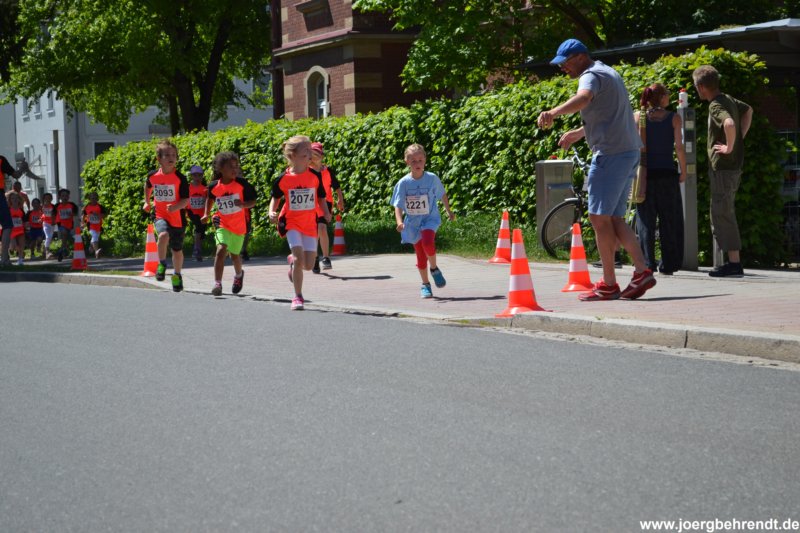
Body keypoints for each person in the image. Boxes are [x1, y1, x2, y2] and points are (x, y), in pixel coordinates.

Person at [537, 38, 656, 301]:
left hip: (610, 154)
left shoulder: (590, 75)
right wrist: (580, 132)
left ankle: (610, 284)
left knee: (598, 218)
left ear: (580, 57)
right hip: (628, 152)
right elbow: (611, 115)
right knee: (614, 219)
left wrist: (553, 112)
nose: (562, 68)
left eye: (565, 62)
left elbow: (584, 98)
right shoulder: (609, 72)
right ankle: (642, 271)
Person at [692, 65, 753, 277]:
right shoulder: (728, 98)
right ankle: (732, 262)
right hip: (732, 168)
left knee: (722, 213)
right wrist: (739, 139)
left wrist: (729, 146)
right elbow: (748, 110)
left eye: (696, 87)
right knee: (724, 211)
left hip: (723, 168)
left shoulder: (716, 105)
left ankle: (734, 263)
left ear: (701, 87)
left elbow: (728, 123)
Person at [268, 135, 331, 310]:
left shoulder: (315, 176)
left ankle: (292, 262)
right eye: (306, 152)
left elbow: (321, 197)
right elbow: (275, 198)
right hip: (292, 222)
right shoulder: (283, 179)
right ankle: (297, 296)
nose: (310, 154)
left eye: (310, 151)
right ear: (293, 155)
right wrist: (271, 211)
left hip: (309, 223)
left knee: (309, 265)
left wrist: (326, 212)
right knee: (298, 257)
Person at [634, 83, 688, 275]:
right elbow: (679, 147)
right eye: (667, 94)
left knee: (645, 221)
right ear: (662, 97)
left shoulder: (637, 117)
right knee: (669, 219)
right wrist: (683, 170)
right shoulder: (674, 118)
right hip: (667, 175)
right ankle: (669, 264)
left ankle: (647, 263)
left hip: (645, 175)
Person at [390, 143, 455, 299]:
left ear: (425, 160)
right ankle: (425, 284)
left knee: (427, 242)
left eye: (420, 160)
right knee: (420, 255)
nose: (417, 163)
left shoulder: (432, 178)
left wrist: (448, 210)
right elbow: (398, 205)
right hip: (413, 223)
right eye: (413, 161)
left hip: (430, 219)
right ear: (407, 162)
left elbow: (442, 194)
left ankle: (434, 269)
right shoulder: (403, 183)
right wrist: (399, 222)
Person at [202, 151, 256, 296]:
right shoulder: (214, 186)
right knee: (221, 250)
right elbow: (210, 199)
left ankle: (239, 275)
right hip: (222, 224)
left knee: (235, 256)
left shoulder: (242, 184)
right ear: (221, 169)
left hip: (238, 226)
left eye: (236, 166)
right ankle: (217, 284)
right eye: (230, 166)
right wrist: (206, 213)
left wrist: (243, 204)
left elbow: (253, 201)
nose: (234, 169)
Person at [143, 139, 190, 292]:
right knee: (163, 235)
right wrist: (147, 202)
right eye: (167, 155)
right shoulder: (153, 176)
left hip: (178, 219)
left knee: (177, 250)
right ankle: (162, 264)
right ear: (159, 159)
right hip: (160, 214)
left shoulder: (180, 178)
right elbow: (147, 186)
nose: (171, 158)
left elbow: (186, 200)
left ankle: (177, 275)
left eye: (174, 155)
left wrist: (175, 207)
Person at [309, 142, 345, 273]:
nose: (315, 156)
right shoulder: (306, 171)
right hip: (310, 204)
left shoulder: (328, 171)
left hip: (325, 203)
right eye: (313, 153)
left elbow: (337, 186)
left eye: (317, 153)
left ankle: (326, 258)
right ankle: (314, 258)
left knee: (322, 228)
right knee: (314, 233)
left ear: (322, 156)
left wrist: (340, 200)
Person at [0, 155, 21, 265]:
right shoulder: (1, 160)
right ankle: (4, 259)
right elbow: (16, 175)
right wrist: (23, 168)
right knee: (7, 225)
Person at [186, 165, 209, 261]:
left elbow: (208, 201)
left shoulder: (205, 189)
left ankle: (198, 248)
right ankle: (197, 250)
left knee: (201, 232)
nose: (197, 177)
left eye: (199, 175)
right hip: (191, 211)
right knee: (198, 228)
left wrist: (207, 212)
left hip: (202, 213)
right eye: (195, 175)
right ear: (191, 176)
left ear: (202, 176)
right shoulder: (188, 188)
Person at [54, 188, 79, 262]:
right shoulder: (57, 205)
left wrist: (71, 214)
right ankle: (63, 249)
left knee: (70, 239)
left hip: (69, 225)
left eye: (66, 196)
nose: (64, 197)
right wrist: (53, 221)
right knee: (64, 233)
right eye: (63, 196)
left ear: (68, 197)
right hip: (60, 224)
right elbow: (53, 214)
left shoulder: (72, 205)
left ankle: (63, 250)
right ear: (60, 197)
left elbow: (76, 213)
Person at [82, 192, 106, 258]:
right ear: (89, 199)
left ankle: (91, 247)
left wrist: (98, 215)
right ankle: (96, 251)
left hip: (98, 225)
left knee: (95, 237)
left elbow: (104, 215)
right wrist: (83, 223)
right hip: (90, 225)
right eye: (92, 198)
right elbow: (84, 215)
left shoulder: (100, 207)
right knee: (94, 235)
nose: (94, 200)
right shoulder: (87, 207)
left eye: (95, 198)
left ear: (97, 199)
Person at [6, 192, 26, 265]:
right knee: (13, 246)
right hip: (11, 230)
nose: (14, 200)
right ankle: (9, 249)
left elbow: (24, 220)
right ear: (10, 200)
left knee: (21, 245)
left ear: (19, 199)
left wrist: (26, 224)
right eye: (12, 198)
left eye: (16, 198)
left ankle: (20, 260)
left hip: (20, 230)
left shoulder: (21, 210)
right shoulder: (8, 210)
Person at [40, 192, 56, 259]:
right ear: (43, 199)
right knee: (48, 236)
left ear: (51, 199)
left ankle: (44, 250)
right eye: (46, 198)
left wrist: (54, 221)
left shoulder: (53, 206)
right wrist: (40, 219)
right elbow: (41, 214)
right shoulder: (42, 206)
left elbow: (55, 214)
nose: (47, 199)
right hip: (45, 223)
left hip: (52, 224)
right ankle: (47, 251)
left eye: (49, 198)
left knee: (50, 237)